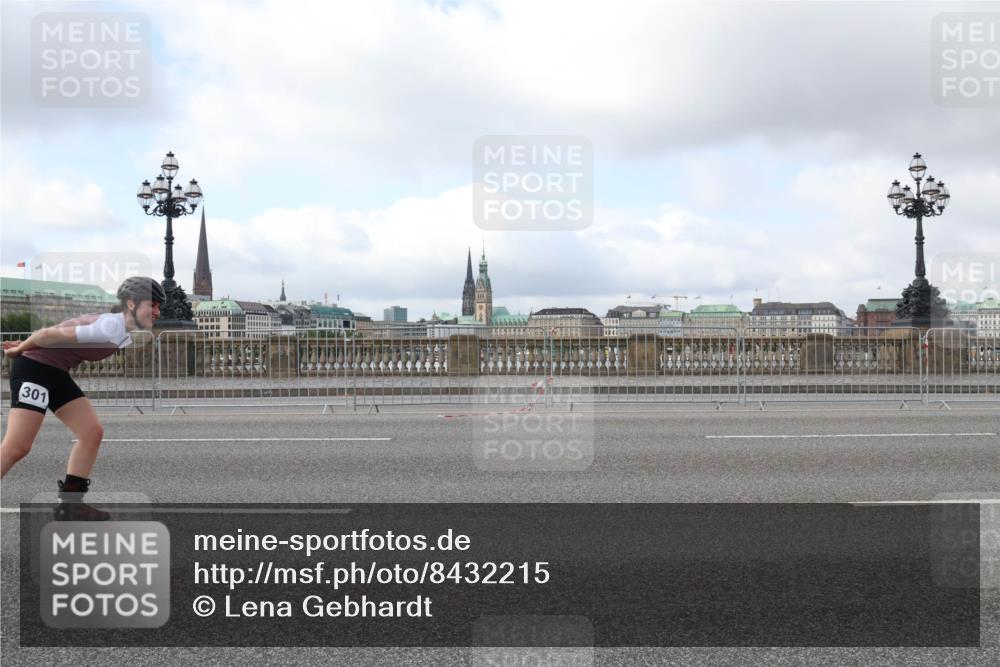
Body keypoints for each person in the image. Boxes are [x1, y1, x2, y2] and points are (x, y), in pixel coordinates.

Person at [1, 276, 164, 520]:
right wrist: (19, 350)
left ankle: (71, 506)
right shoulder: (108, 327)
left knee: (91, 432)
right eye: (152, 305)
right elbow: (46, 335)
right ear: (131, 304)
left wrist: (27, 343)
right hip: (35, 369)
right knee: (18, 446)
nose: (157, 311)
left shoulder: (119, 329)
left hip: (54, 371)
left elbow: (56, 335)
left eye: (159, 307)